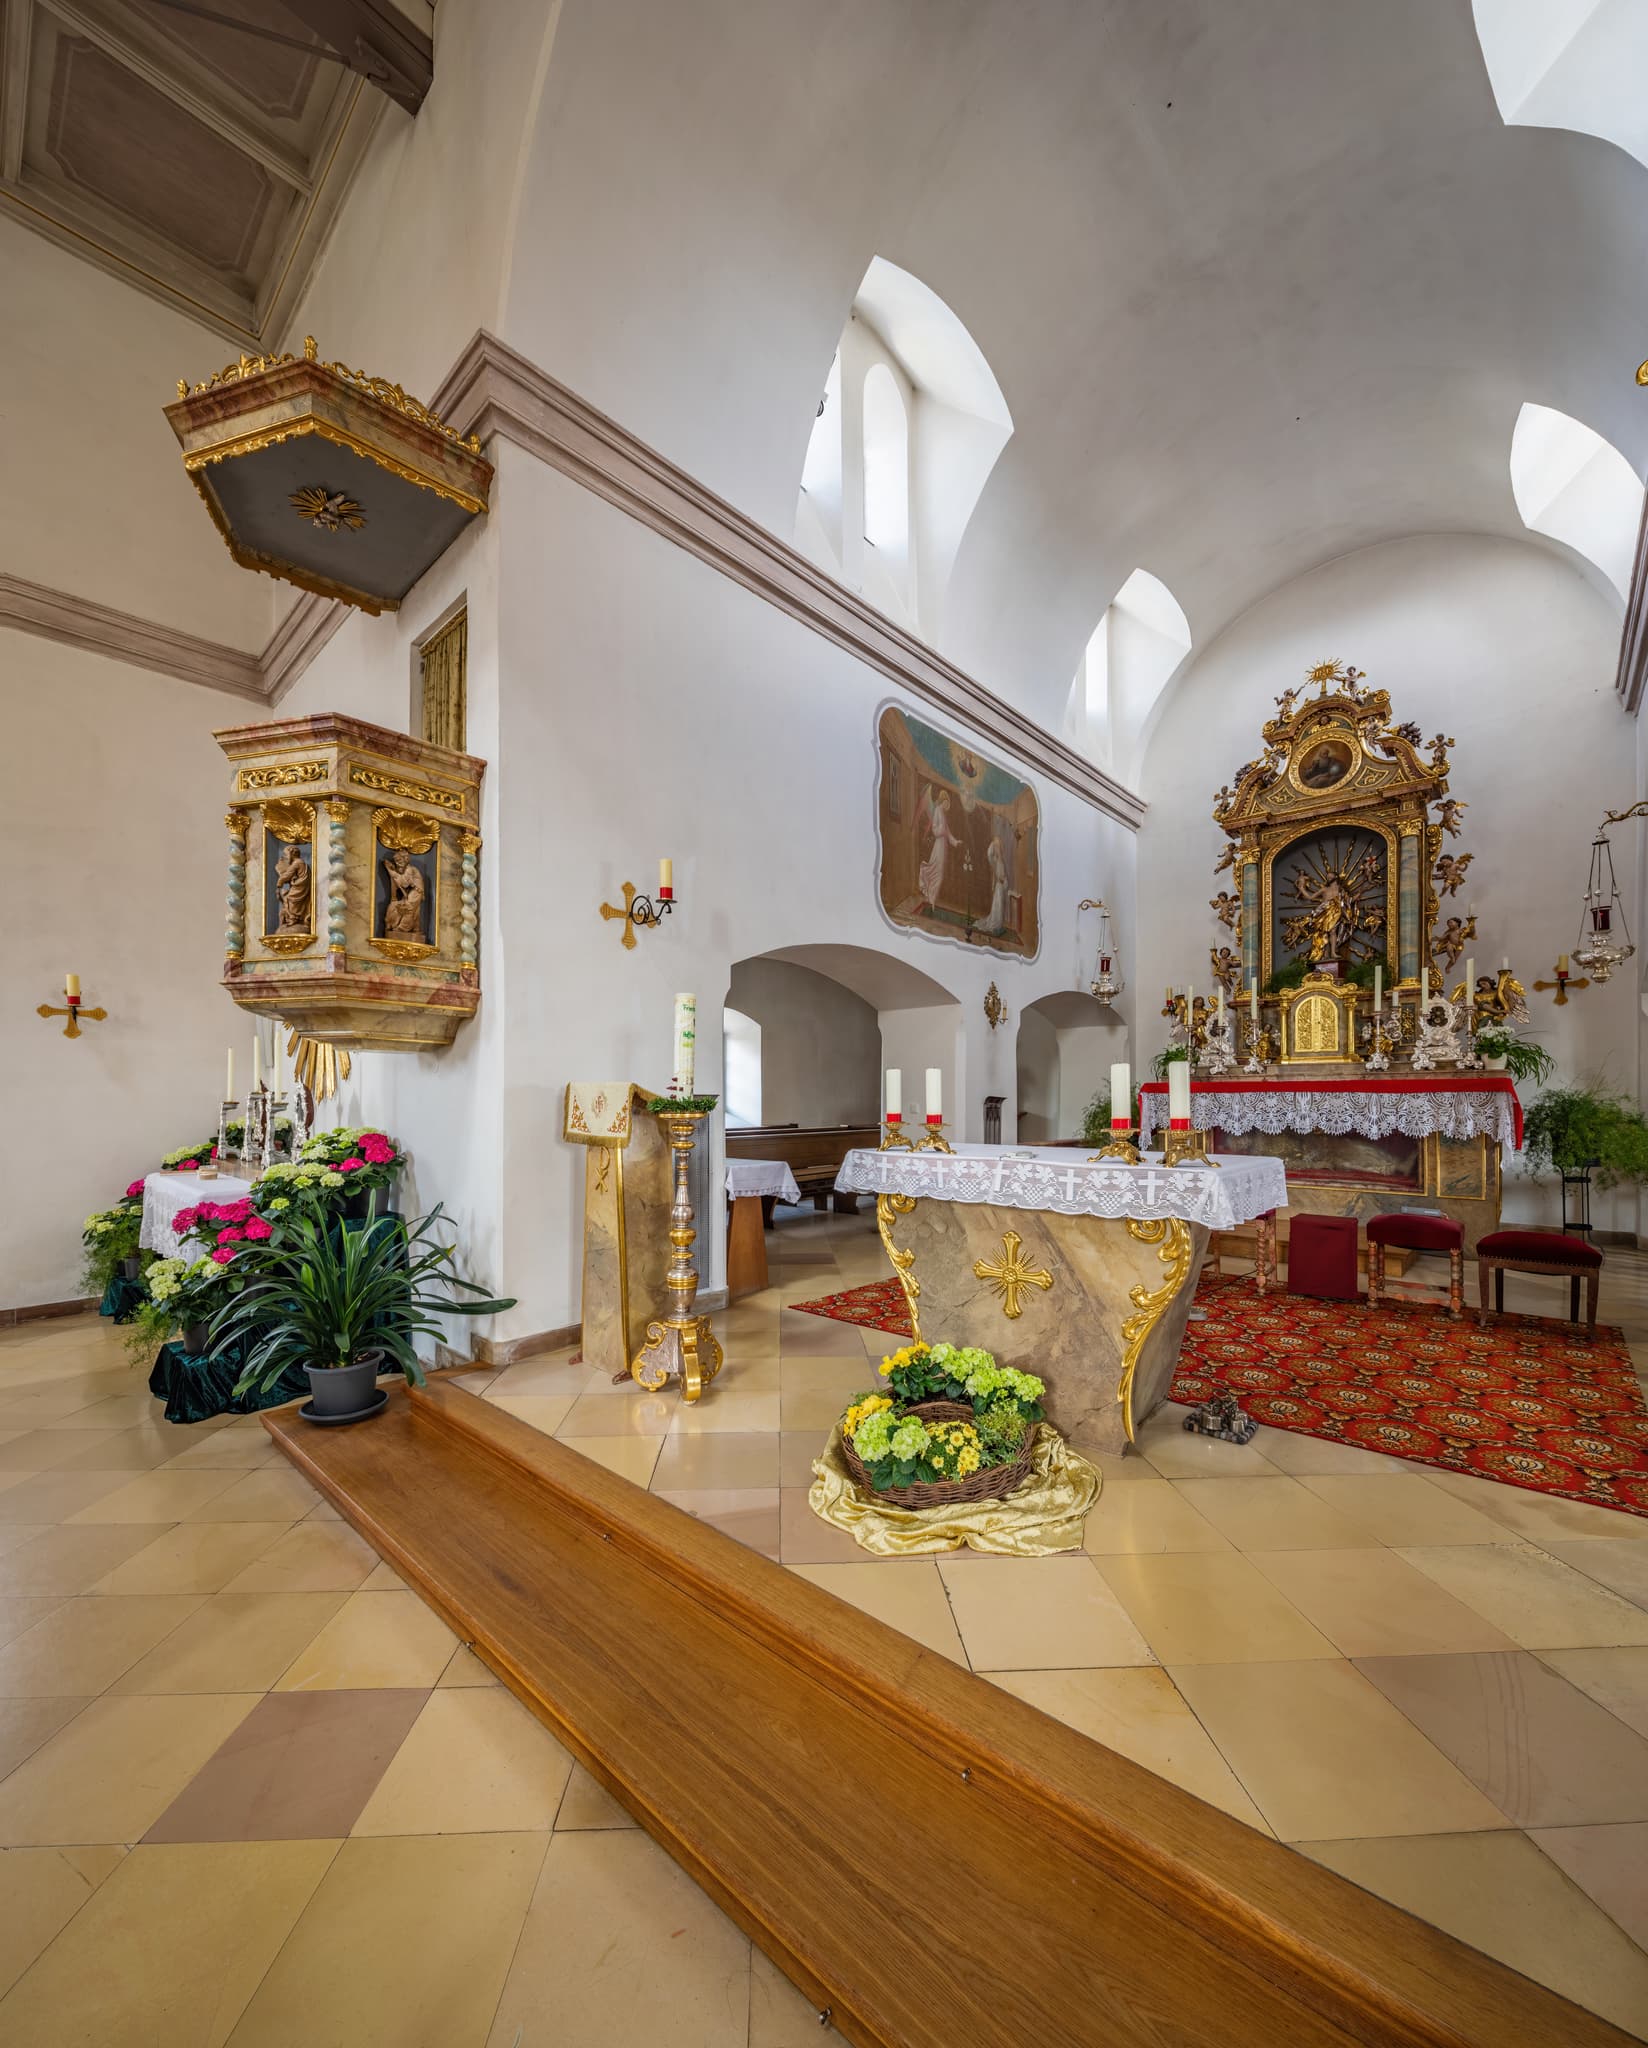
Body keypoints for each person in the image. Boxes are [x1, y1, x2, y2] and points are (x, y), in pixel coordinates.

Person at [916, 786, 956, 916]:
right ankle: (932, 900)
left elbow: (948, 832)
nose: (946, 805)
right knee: (937, 872)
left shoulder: (943, 814)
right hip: (939, 845)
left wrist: (955, 842)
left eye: (948, 803)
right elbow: (935, 830)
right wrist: (942, 831)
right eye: (946, 802)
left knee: (940, 873)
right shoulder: (938, 811)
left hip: (943, 846)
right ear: (942, 801)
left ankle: (932, 899)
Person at [382, 848, 427, 937]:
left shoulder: (410, 869)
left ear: (405, 859)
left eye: (399, 860)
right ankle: (416, 928)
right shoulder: (406, 869)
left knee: (408, 908)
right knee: (415, 911)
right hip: (415, 892)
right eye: (396, 861)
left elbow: (404, 883)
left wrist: (392, 872)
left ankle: (403, 928)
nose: (397, 862)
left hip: (417, 891)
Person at [274, 842, 311, 931]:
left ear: (291, 854)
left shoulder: (297, 863)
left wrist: (279, 884)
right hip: (300, 885)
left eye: (286, 854)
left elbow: (287, 875)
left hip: (300, 886)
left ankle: (294, 918)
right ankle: (293, 918)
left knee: (290, 898)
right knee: (288, 898)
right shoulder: (299, 862)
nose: (286, 857)